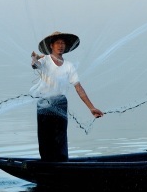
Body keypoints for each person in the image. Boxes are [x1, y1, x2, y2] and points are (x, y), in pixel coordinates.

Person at [30, 31, 103, 161]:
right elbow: (35, 65)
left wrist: (91, 107)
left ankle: (62, 162)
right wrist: (34, 58)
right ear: (51, 45)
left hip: (61, 103)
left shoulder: (69, 66)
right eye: (58, 43)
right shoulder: (45, 60)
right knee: (45, 136)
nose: (61, 45)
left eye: (63, 43)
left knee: (60, 136)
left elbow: (78, 87)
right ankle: (46, 163)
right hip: (44, 103)